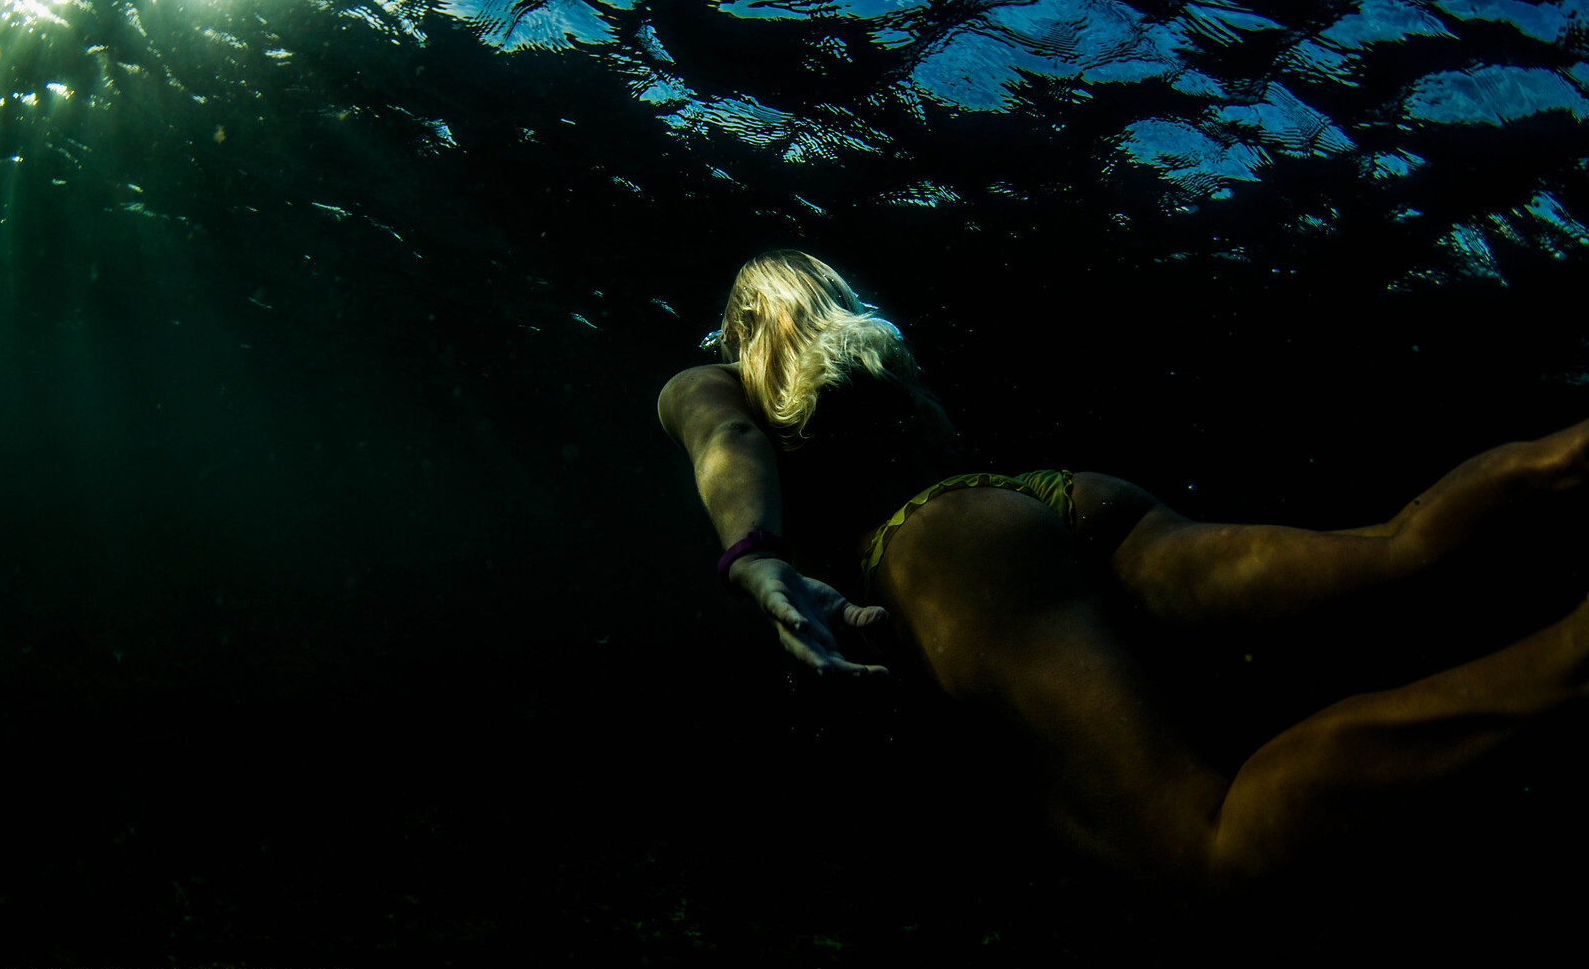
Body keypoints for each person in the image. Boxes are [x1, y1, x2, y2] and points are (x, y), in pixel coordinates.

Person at [658, 249, 1589, 896]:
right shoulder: (881, 353)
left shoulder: (719, 378)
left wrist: (752, 555)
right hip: (1062, 495)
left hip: (943, 546)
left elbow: (729, 434)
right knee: (1398, 548)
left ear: (741, 325)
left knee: (1209, 849)